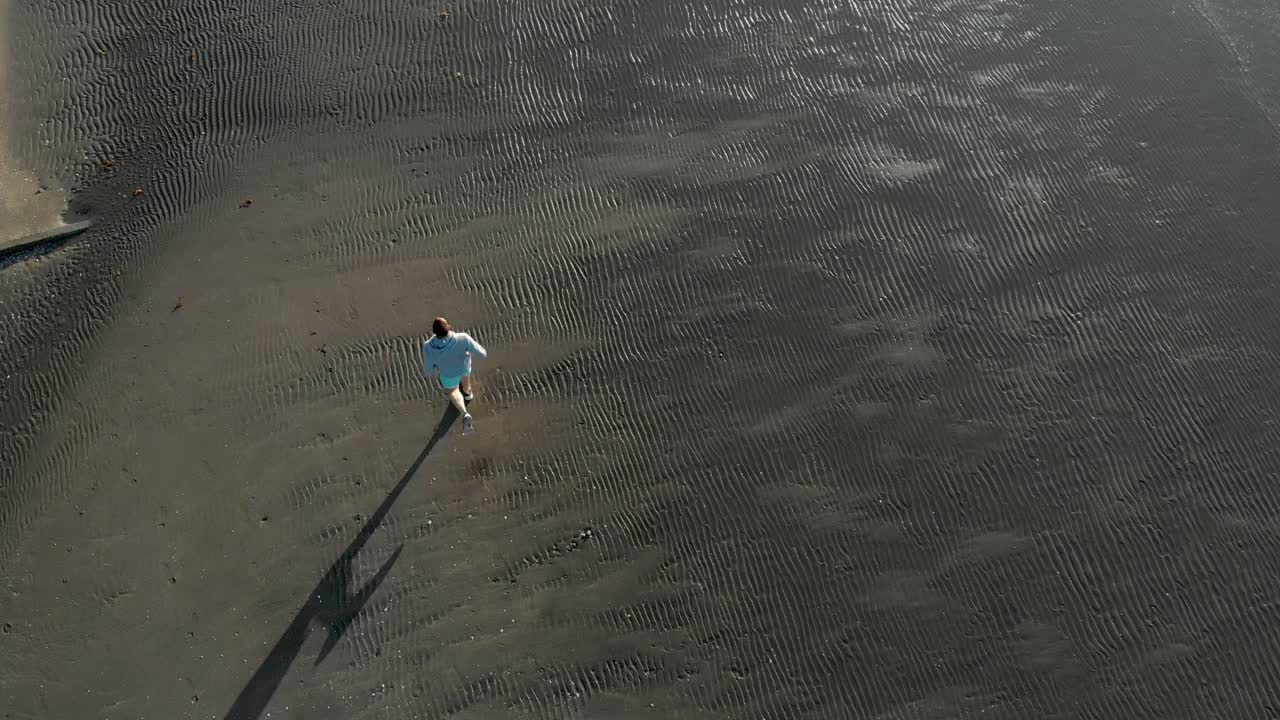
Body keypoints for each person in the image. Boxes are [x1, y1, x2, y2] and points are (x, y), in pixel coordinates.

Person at [423, 317, 487, 433]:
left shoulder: (428, 346)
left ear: (434, 332)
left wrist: (435, 366)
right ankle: (468, 394)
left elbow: (428, 370)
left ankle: (464, 412)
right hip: (464, 367)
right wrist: (468, 352)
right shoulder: (463, 338)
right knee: (465, 382)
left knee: (453, 391)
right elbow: (483, 354)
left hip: (448, 373)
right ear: (448, 328)